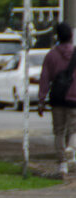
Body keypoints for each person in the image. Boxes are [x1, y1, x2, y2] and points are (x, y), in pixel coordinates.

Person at [36, 22, 75, 174]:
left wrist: (41, 100)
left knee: (58, 131)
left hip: (57, 98)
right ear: (71, 36)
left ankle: (62, 164)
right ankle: (71, 150)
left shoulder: (51, 55)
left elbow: (44, 78)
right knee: (74, 129)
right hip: (74, 98)